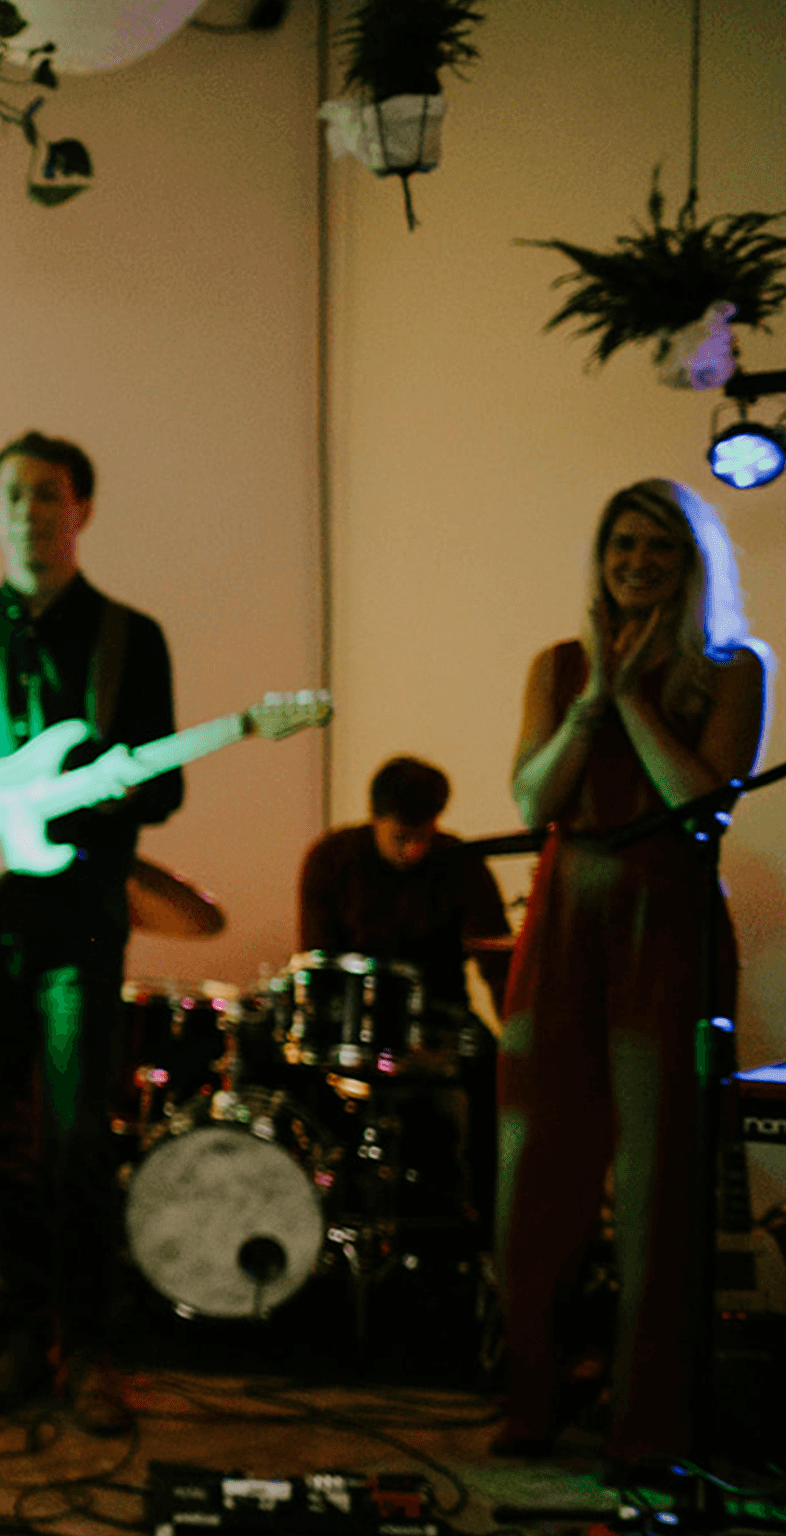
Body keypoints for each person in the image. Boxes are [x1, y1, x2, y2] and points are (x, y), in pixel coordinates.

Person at [0, 430, 180, 1433]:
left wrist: (89, 799)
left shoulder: (128, 641)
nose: (27, 511)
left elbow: (165, 784)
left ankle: (91, 1351)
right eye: (12, 493)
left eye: (47, 495)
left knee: (74, 1138)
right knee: (1, 1138)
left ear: (80, 510)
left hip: (79, 924)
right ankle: (22, 1340)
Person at [495, 478, 769, 1464]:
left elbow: (702, 805)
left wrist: (632, 702)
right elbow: (534, 802)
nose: (637, 564)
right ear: (601, 559)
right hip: (566, 916)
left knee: (658, 1187)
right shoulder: (559, 664)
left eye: (659, 548)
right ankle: (530, 1400)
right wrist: (590, 701)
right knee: (533, 1174)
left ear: (691, 563)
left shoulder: (736, 667)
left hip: (669, 920)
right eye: (622, 547)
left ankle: (644, 1427)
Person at [298, 754, 513, 1226]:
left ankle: (486, 1224)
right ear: (375, 819)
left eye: (424, 836)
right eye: (402, 837)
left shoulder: (460, 864)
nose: (414, 850)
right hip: (353, 1023)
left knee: (498, 1079)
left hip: (442, 1020)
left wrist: (519, 1034)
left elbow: (498, 965)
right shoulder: (332, 860)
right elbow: (319, 966)